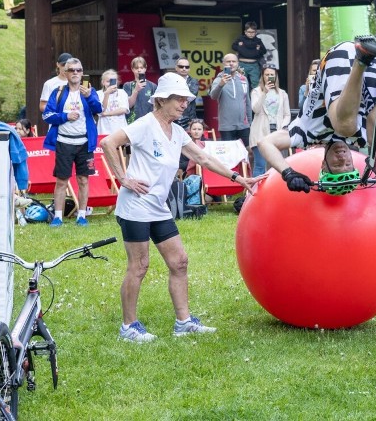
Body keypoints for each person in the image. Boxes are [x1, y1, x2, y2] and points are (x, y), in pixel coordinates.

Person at [100, 73, 256, 342]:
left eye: (186, 100)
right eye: (179, 99)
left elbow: (202, 158)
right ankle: (128, 327)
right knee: (139, 266)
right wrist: (124, 179)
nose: (184, 104)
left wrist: (237, 177)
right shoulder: (145, 124)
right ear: (161, 100)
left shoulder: (178, 131)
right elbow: (108, 143)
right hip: (135, 207)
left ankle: (183, 323)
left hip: (158, 208)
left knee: (179, 262)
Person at [257, 38, 376, 192]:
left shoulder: (307, 134)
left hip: (338, 59)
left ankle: (361, 59)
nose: (342, 160)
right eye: (348, 165)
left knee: (345, 128)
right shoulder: (360, 139)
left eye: (336, 167)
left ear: (323, 164)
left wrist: (288, 173)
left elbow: (264, 142)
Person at [42, 58, 103, 227]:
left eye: (78, 70)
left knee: (83, 179)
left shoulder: (89, 91)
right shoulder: (58, 91)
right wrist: (65, 116)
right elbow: (46, 115)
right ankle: (58, 217)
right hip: (64, 142)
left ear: (82, 73)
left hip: (85, 143)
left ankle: (82, 215)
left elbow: (99, 110)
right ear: (65, 73)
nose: (75, 73)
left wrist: (89, 97)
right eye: (72, 70)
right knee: (62, 180)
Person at [250, 66, 291, 177]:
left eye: (272, 75)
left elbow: (287, 114)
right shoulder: (256, 91)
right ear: (262, 76)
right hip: (260, 131)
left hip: (277, 132)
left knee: (279, 165)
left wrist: (283, 126)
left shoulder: (282, 93)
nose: (269, 77)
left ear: (276, 76)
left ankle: (278, 191)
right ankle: (256, 191)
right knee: (260, 165)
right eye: (267, 75)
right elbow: (255, 109)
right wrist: (264, 93)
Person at [209, 53, 251, 142]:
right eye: (228, 61)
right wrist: (221, 84)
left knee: (247, 152)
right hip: (226, 127)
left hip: (244, 125)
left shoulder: (243, 79)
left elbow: (247, 101)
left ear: (238, 63)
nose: (231, 63)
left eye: (234, 61)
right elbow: (213, 96)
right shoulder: (218, 79)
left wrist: (250, 123)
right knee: (229, 154)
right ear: (223, 64)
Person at [232, 21, 267, 91]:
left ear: (256, 32)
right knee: (241, 83)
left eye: (253, 32)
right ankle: (242, 100)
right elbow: (233, 46)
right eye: (249, 32)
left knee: (255, 83)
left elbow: (264, 51)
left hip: (254, 65)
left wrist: (258, 50)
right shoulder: (241, 39)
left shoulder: (258, 41)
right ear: (245, 32)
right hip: (242, 64)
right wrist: (239, 46)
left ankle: (255, 99)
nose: (251, 34)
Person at [123, 56, 158, 123]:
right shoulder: (128, 85)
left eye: (141, 68)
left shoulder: (153, 86)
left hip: (149, 122)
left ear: (145, 68)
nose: (139, 70)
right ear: (132, 69)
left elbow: (156, 106)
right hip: (132, 122)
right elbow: (129, 105)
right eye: (136, 68)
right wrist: (136, 90)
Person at [96, 69, 129, 136]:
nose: (110, 84)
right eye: (108, 81)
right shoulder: (98, 94)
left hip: (120, 130)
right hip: (104, 130)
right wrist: (107, 94)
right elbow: (101, 110)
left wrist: (106, 114)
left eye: (113, 81)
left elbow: (124, 109)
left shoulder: (122, 92)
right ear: (103, 82)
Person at [172, 58, 199, 129]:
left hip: (189, 118)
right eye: (181, 66)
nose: (184, 68)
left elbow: (191, 96)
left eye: (187, 67)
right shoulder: (170, 80)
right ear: (176, 68)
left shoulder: (194, 81)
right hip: (172, 117)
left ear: (189, 69)